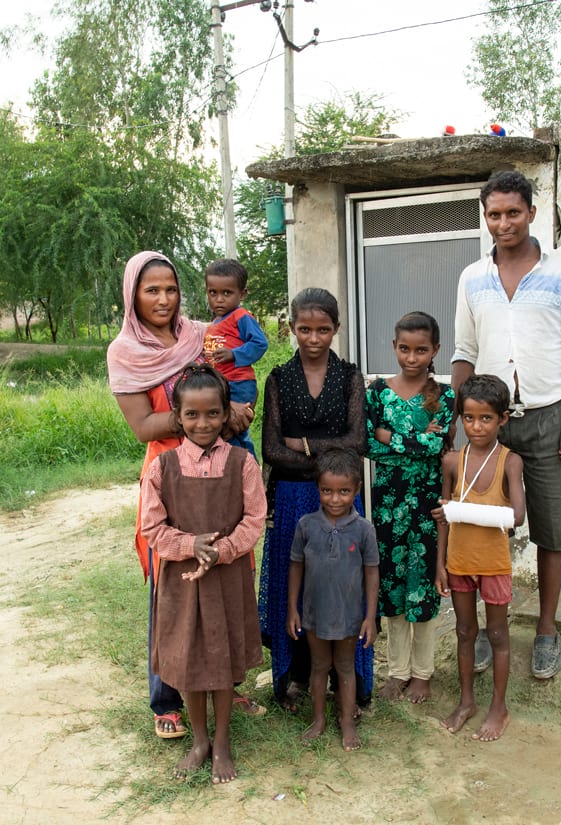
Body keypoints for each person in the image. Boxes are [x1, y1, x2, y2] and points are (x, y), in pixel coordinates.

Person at [107, 251, 259, 740]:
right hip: (169, 475)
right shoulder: (126, 351)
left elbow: (229, 379)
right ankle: (166, 698)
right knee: (171, 586)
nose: (163, 299)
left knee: (226, 579)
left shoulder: (198, 335)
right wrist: (202, 417)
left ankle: (224, 681)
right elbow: (143, 425)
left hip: (220, 472)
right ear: (133, 294)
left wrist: (233, 411)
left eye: (170, 288)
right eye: (151, 290)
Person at [451, 170, 561, 679]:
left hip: (549, 418)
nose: (504, 222)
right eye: (494, 214)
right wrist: (459, 421)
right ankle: (494, 631)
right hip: (489, 423)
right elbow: (464, 354)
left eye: (514, 212)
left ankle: (548, 629)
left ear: (532, 212)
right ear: (485, 218)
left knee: (551, 530)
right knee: (483, 527)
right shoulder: (473, 278)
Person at [140, 363, 266, 783]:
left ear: (226, 411)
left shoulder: (243, 463)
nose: (203, 422)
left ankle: (223, 742)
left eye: (213, 413)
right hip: (181, 580)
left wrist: (223, 550)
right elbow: (152, 527)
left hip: (227, 577)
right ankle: (199, 740)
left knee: (223, 658)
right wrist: (190, 546)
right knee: (189, 658)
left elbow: (254, 519)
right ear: (177, 416)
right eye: (191, 414)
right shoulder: (163, 467)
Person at [259, 287, 368, 711]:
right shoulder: (278, 379)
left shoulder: (350, 377)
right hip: (290, 497)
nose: (314, 338)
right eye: (304, 329)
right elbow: (271, 450)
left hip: (339, 501)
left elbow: (357, 442)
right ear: (291, 328)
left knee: (341, 583)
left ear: (336, 329)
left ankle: (351, 681)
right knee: (294, 582)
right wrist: (329, 455)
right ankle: (294, 677)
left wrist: (302, 446)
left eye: (323, 329)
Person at [367, 311, 455, 704]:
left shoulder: (446, 396)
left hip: (425, 508)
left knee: (423, 588)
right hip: (387, 507)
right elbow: (370, 447)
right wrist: (417, 438)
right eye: (405, 349)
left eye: (421, 350)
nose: (412, 357)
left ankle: (423, 673)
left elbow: (439, 448)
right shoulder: (376, 393)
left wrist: (394, 438)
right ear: (394, 347)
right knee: (392, 588)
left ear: (435, 350)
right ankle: (397, 671)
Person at [435, 374, 525, 742]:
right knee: (464, 631)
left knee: (499, 633)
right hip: (459, 561)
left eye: (486, 418)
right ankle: (466, 701)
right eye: (469, 418)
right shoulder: (453, 462)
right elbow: (444, 516)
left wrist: (468, 513)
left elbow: (516, 516)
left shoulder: (510, 461)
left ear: (502, 419)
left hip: (493, 564)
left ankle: (498, 708)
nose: (476, 426)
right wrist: (439, 563)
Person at [286, 449, 379, 750]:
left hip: (350, 617)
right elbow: (296, 567)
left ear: (356, 490)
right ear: (318, 490)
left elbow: (372, 574)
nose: (335, 499)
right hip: (314, 614)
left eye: (343, 492)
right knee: (318, 667)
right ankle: (318, 719)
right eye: (327, 491)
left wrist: (370, 617)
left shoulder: (364, 530)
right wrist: (292, 610)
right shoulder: (306, 525)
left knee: (345, 667)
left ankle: (347, 722)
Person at [202, 259, 269, 455]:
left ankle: (247, 465)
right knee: (222, 432)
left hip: (238, 383)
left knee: (235, 430)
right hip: (223, 384)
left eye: (227, 293)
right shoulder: (215, 322)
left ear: (242, 294)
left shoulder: (241, 316)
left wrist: (234, 354)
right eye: (213, 293)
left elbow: (260, 343)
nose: (219, 299)